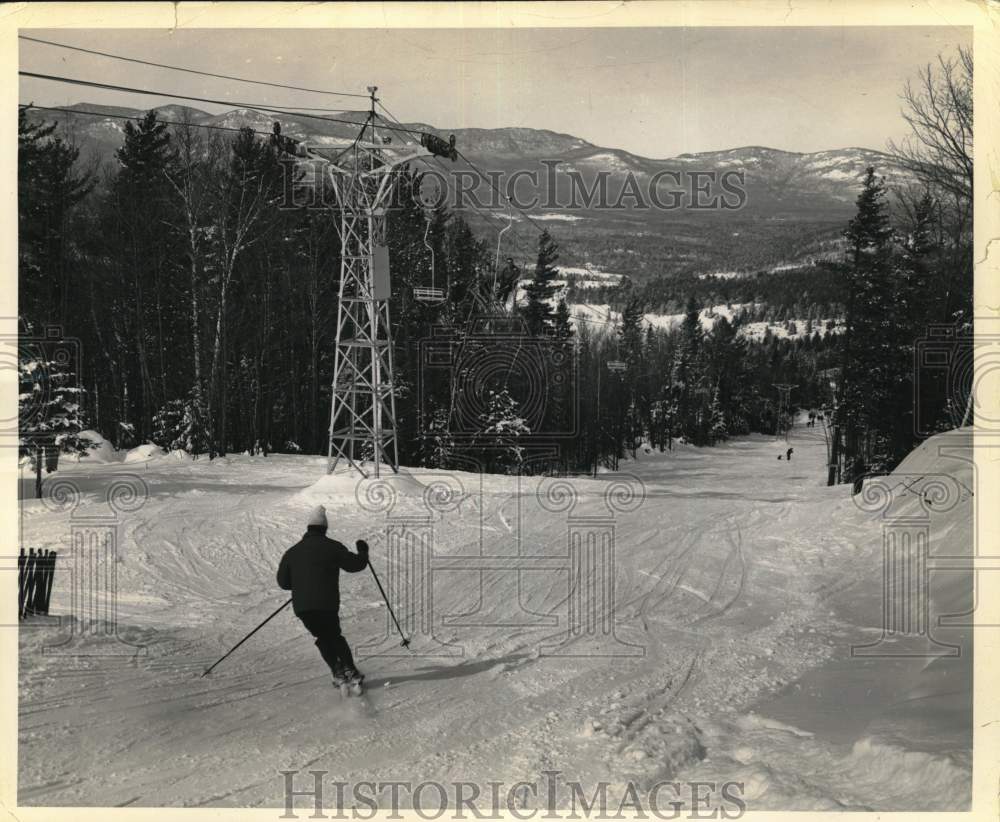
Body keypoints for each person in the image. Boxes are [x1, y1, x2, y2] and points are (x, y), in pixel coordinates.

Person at [277, 505, 369, 689]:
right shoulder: (333, 547)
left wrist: (302, 583)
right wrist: (363, 551)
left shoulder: (292, 552)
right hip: (327, 603)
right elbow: (355, 565)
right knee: (334, 635)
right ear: (324, 528)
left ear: (308, 529)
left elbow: (284, 583)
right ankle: (349, 670)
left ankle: (338, 671)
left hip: (303, 607)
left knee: (322, 637)